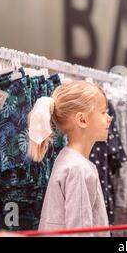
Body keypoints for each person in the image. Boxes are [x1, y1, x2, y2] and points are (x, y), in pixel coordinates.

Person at [28, 81, 112, 235]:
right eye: (103, 112)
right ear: (82, 120)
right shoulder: (78, 168)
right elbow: (79, 231)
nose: (109, 118)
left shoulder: (69, 159)